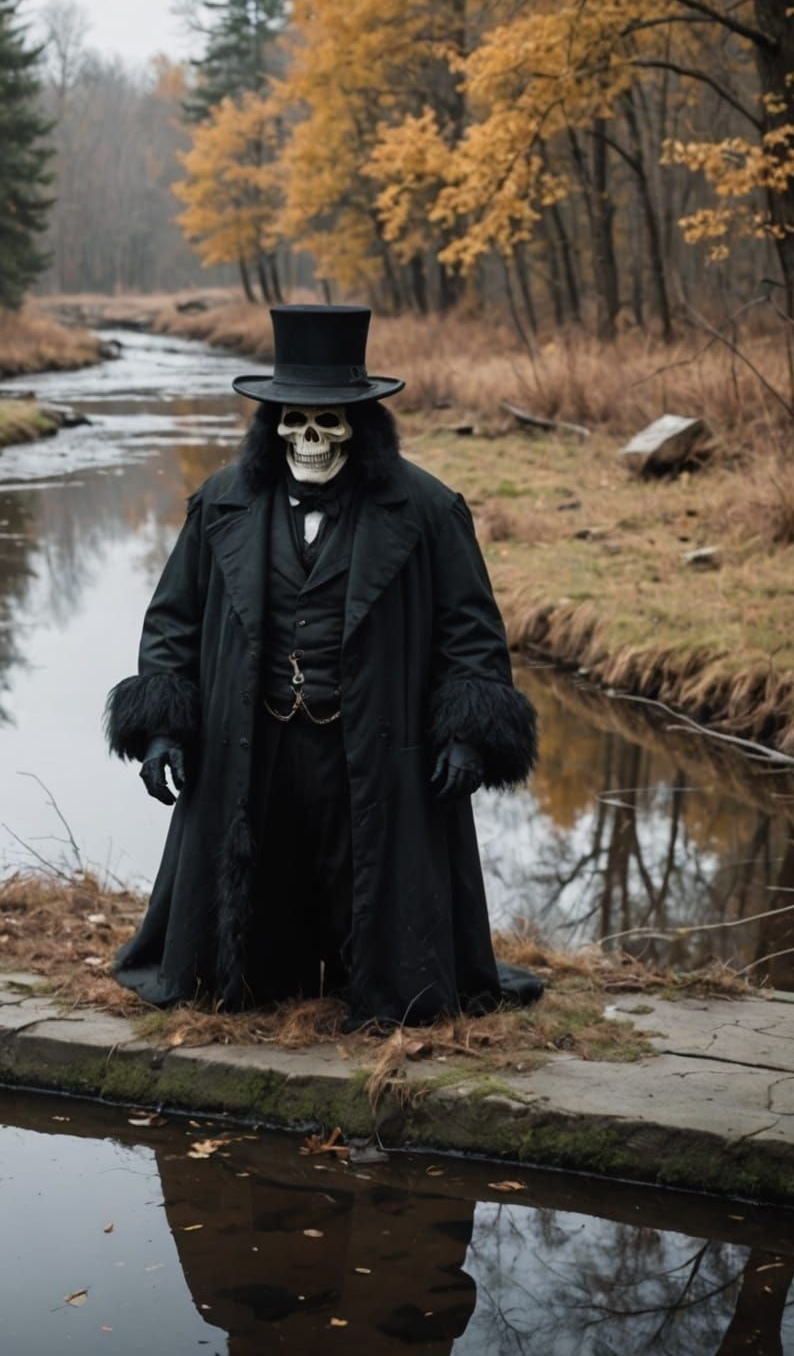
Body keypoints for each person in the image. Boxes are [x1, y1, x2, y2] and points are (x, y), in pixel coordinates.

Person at [105, 304, 541, 1024]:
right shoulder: (221, 505)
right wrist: (161, 730)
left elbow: (472, 633)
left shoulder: (428, 511)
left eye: (328, 420)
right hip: (253, 742)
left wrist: (467, 732)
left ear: (362, 424)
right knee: (255, 901)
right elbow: (172, 625)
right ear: (270, 422)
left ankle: (375, 987)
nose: (309, 438)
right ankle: (256, 981)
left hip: (376, 746)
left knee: (372, 883)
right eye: (293, 420)